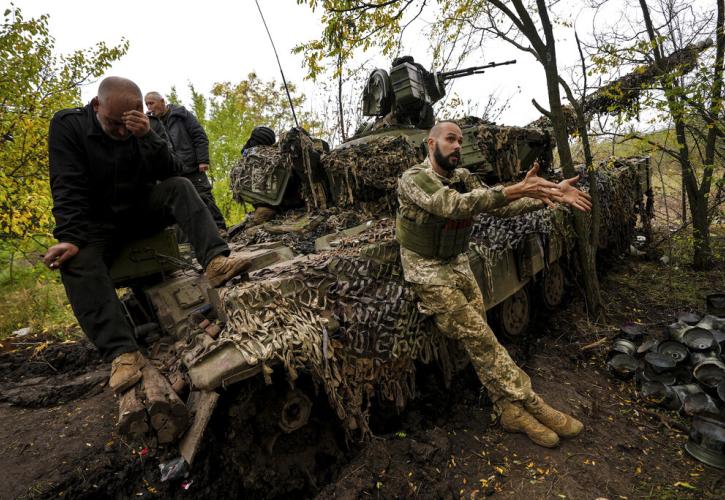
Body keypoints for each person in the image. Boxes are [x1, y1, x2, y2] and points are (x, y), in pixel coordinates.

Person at [45, 77, 251, 395]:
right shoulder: (68, 125)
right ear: (96, 106)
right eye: (114, 124)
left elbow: (173, 171)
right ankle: (123, 354)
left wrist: (147, 137)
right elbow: (66, 184)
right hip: (97, 224)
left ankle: (215, 261)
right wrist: (70, 237)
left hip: (140, 211)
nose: (121, 132)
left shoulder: (145, 127)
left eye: (129, 123)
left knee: (180, 188)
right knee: (76, 261)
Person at [396, 120, 592, 448]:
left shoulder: (462, 178)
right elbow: (455, 206)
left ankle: (508, 410)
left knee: (480, 340)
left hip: (457, 263)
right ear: (431, 144)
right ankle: (532, 403)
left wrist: (552, 192)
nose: (457, 146)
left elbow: (501, 207)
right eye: (449, 139)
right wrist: (517, 188)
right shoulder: (413, 179)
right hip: (427, 271)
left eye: (460, 141)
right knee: (482, 338)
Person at [144, 91, 227, 233]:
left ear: (162, 101)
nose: (149, 107)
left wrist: (203, 160)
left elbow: (199, 135)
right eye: (146, 104)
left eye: (151, 103)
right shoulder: (151, 124)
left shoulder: (181, 115)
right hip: (172, 171)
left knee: (204, 197)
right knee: (179, 206)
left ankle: (219, 228)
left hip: (191, 166)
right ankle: (195, 237)